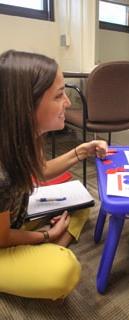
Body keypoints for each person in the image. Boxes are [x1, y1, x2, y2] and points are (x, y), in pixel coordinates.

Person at [0, 50, 108, 300]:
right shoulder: (2, 174)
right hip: (3, 238)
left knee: (81, 202)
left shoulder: (24, 136)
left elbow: (40, 170)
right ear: (27, 105)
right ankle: (49, 247)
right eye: (59, 95)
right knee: (64, 270)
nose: (68, 103)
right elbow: (3, 238)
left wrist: (80, 152)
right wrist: (48, 234)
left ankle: (39, 250)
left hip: (15, 218)